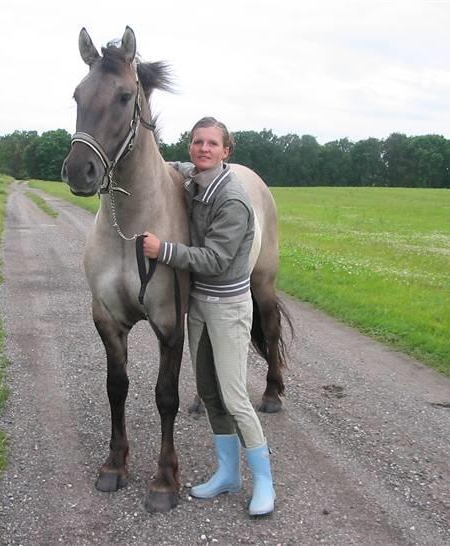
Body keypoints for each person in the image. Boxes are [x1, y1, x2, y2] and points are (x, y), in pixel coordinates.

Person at [142, 116, 275, 516]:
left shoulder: (232, 198)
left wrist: (163, 251)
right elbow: (176, 169)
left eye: (212, 144)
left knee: (235, 397)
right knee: (210, 392)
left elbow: (215, 260)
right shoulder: (195, 179)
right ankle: (228, 474)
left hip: (229, 309)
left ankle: (265, 483)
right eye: (197, 142)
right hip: (199, 306)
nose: (203, 148)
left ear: (226, 151)